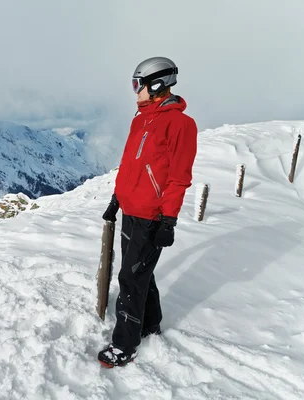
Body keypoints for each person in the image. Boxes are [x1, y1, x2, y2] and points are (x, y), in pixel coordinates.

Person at [97, 56, 198, 368]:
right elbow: (131, 166)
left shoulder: (181, 124)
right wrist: (117, 198)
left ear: (157, 85)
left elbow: (179, 177)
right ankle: (150, 323)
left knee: (130, 278)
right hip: (131, 210)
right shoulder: (140, 120)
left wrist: (168, 220)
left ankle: (124, 345)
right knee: (140, 271)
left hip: (151, 216)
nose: (135, 91)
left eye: (137, 85)